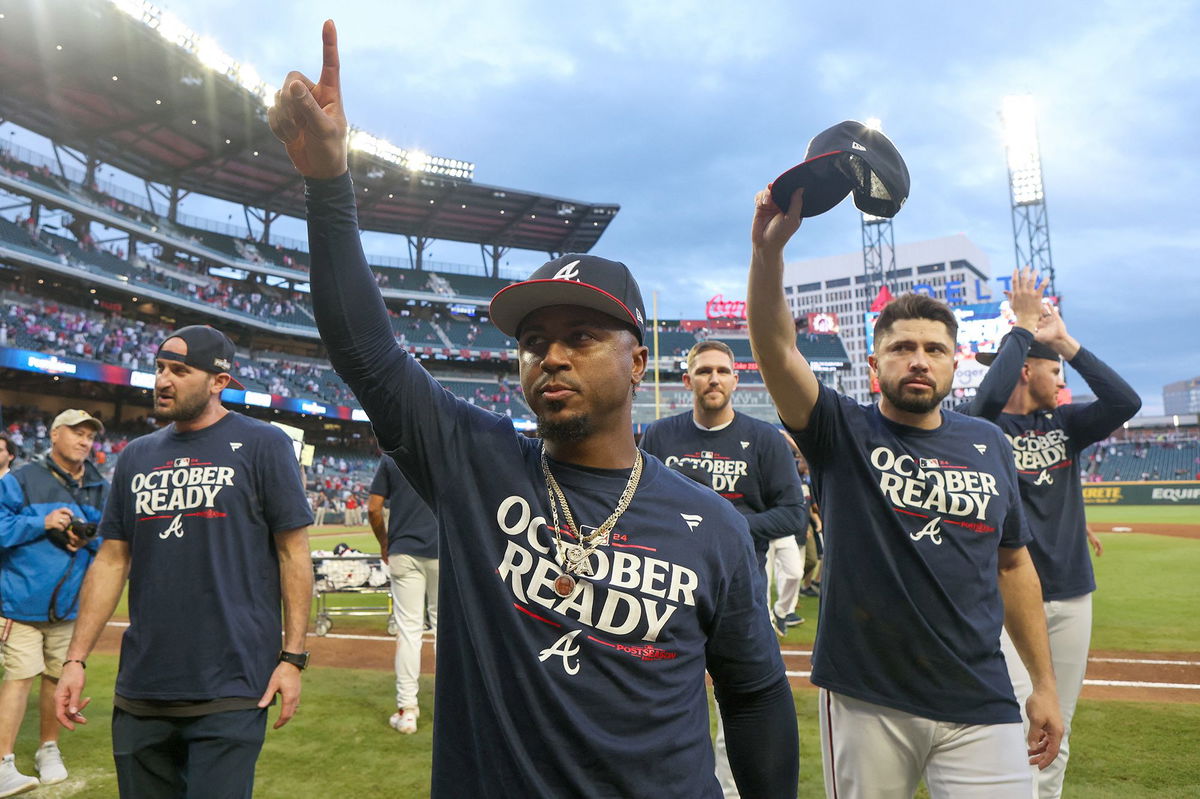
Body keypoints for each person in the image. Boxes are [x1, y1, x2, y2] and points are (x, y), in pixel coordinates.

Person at [268, 21, 798, 797]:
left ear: (639, 360)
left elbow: (753, 695)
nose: (549, 355)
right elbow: (366, 352)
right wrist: (328, 184)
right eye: (533, 340)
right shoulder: (478, 463)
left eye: (581, 335)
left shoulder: (709, 523)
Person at [746, 185, 1063, 798]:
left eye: (933, 349)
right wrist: (768, 255)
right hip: (870, 695)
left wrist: (1043, 683)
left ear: (954, 363)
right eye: (901, 348)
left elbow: (1014, 563)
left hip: (981, 693)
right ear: (874, 365)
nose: (918, 360)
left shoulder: (989, 443)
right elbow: (776, 347)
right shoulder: (841, 430)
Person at [54, 325, 314, 799]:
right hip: (142, 687)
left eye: (179, 370)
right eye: (159, 369)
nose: (162, 381)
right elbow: (112, 560)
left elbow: (293, 553)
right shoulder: (136, 456)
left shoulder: (264, 444)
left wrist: (292, 658)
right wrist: (75, 660)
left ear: (218, 381)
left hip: (232, 686)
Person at [963, 274, 1141, 799]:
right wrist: (1021, 329)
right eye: (1054, 367)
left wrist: (1066, 343)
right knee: (1018, 720)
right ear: (1024, 369)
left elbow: (1124, 401)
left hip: (1070, 591)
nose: (1062, 379)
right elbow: (981, 406)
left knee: (1056, 725)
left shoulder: (1065, 423)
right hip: (1009, 598)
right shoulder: (983, 431)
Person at [639, 340, 805, 798]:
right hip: (665, 590)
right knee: (667, 696)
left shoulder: (765, 439)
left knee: (743, 698)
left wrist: (725, 527)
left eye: (722, 371)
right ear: (687, 379)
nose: (713, 378)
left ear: (736, 380)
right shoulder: (659, 436)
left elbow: (792, 511)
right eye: (703, 370)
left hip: (742, 587)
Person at [0, 410, 107, 793]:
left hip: (70, 605)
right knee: (18, 678)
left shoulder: (98, 485)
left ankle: (49, 748)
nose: (84, 441)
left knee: (56, 679)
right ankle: (3, 762)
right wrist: (40, 523)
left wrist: (87, 540)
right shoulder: (22, 479)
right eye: (76, 433)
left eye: (89, 437)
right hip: (21, 601)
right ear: (55, 434)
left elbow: (111, 543)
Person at [367, 457, 438, 735]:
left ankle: (407, 710)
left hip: (403, 550)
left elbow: (374, 509)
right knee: (444, 631)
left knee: (409, 632)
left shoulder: (392, 458)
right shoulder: (444, 453)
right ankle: (452, 706)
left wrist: (385, 542)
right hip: (442, 551)